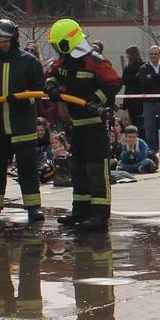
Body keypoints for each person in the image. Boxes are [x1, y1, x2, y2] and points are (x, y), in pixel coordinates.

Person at [0, 19, 48, 226]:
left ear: (13, 39)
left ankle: (33, 207)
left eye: (5, 40)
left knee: (27, 170)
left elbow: (40, 90)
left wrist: (24, 99)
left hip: (22, 125)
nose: (1, 44)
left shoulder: (29, 61)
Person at [46, 18, 122, 231]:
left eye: (56, 44)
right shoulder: (64, 61)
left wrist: (94, 100)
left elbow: (114, 83)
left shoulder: (95, 61)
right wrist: (52, 88)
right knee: (78, 169)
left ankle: (99, 215)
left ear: (66, 43)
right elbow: (50, 75)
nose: (55, 49)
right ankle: (80, 211)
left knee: (96, 170)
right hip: (76, 124)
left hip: (95, 124)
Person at [138, 46, 160, 158]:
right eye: (151, 54)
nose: (154, 56)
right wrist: (159, 78)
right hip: (149, 101)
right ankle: (151, 150)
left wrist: (152, 77)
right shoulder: (144, 67)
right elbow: (143, 80)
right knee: (149, 127)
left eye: (156, 54)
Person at [120, 46, 145, 133]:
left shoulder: (142, 65)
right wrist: (134, 77)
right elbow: (124, 80)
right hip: (130, 97)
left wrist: (132, 79)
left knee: (141, 120)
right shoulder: (128, 67)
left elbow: (141, 79)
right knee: (133, 120)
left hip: (140, 97)